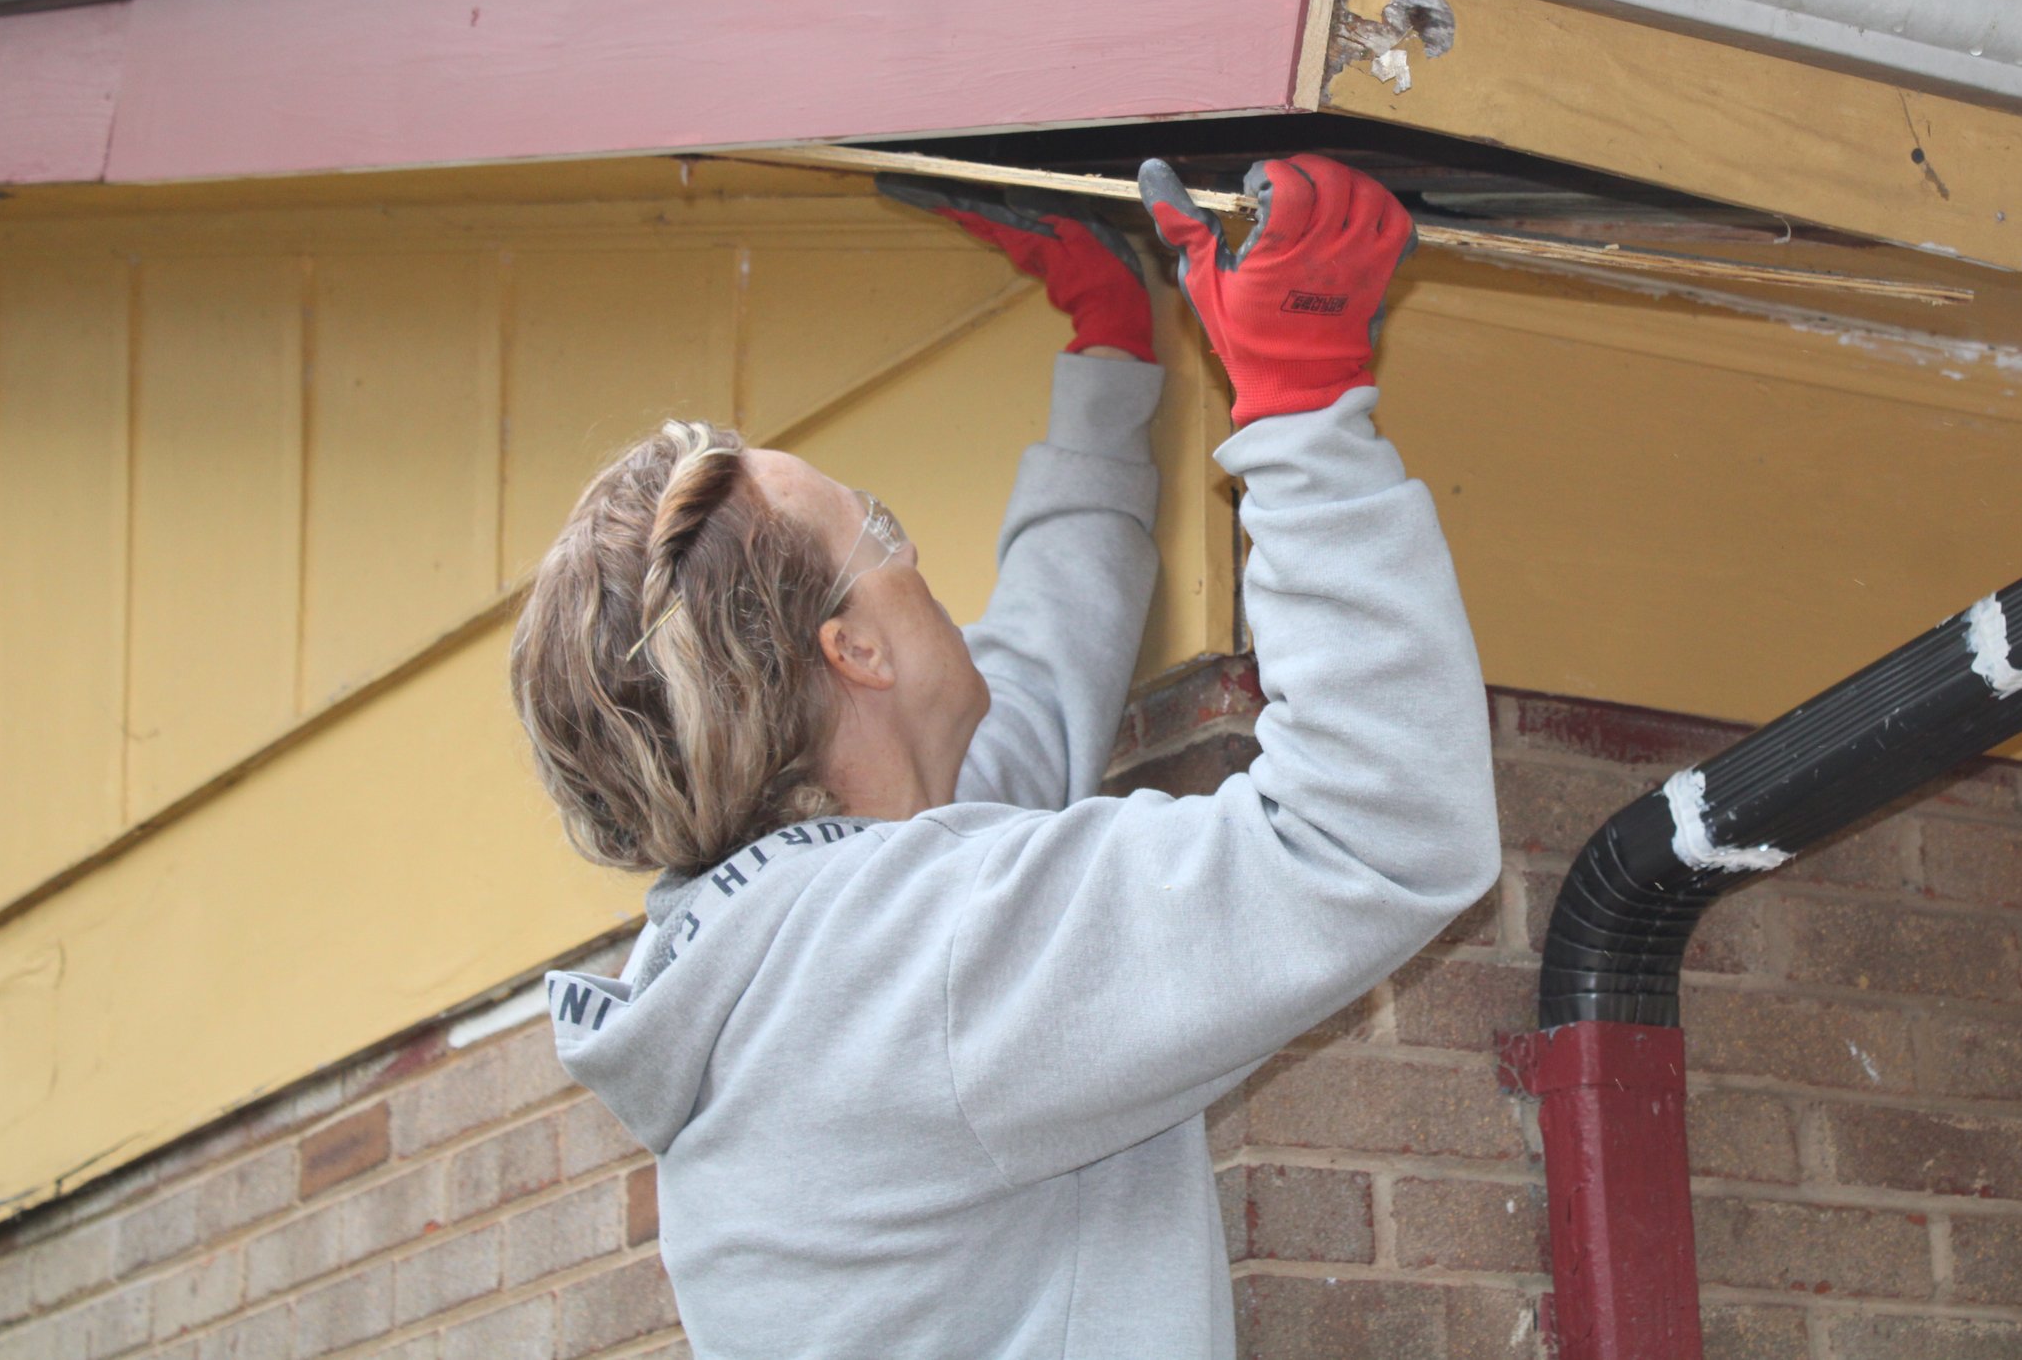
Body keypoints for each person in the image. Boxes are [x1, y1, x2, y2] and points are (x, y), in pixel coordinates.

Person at [515, 154, 1498, 1360]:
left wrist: (1110, 347)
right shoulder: (898, 966)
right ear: (856, 650)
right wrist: (1301, 405)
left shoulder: (804, 953)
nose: (910, 543)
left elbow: (1027, 687)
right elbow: (1372, 832)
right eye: (876, 527)